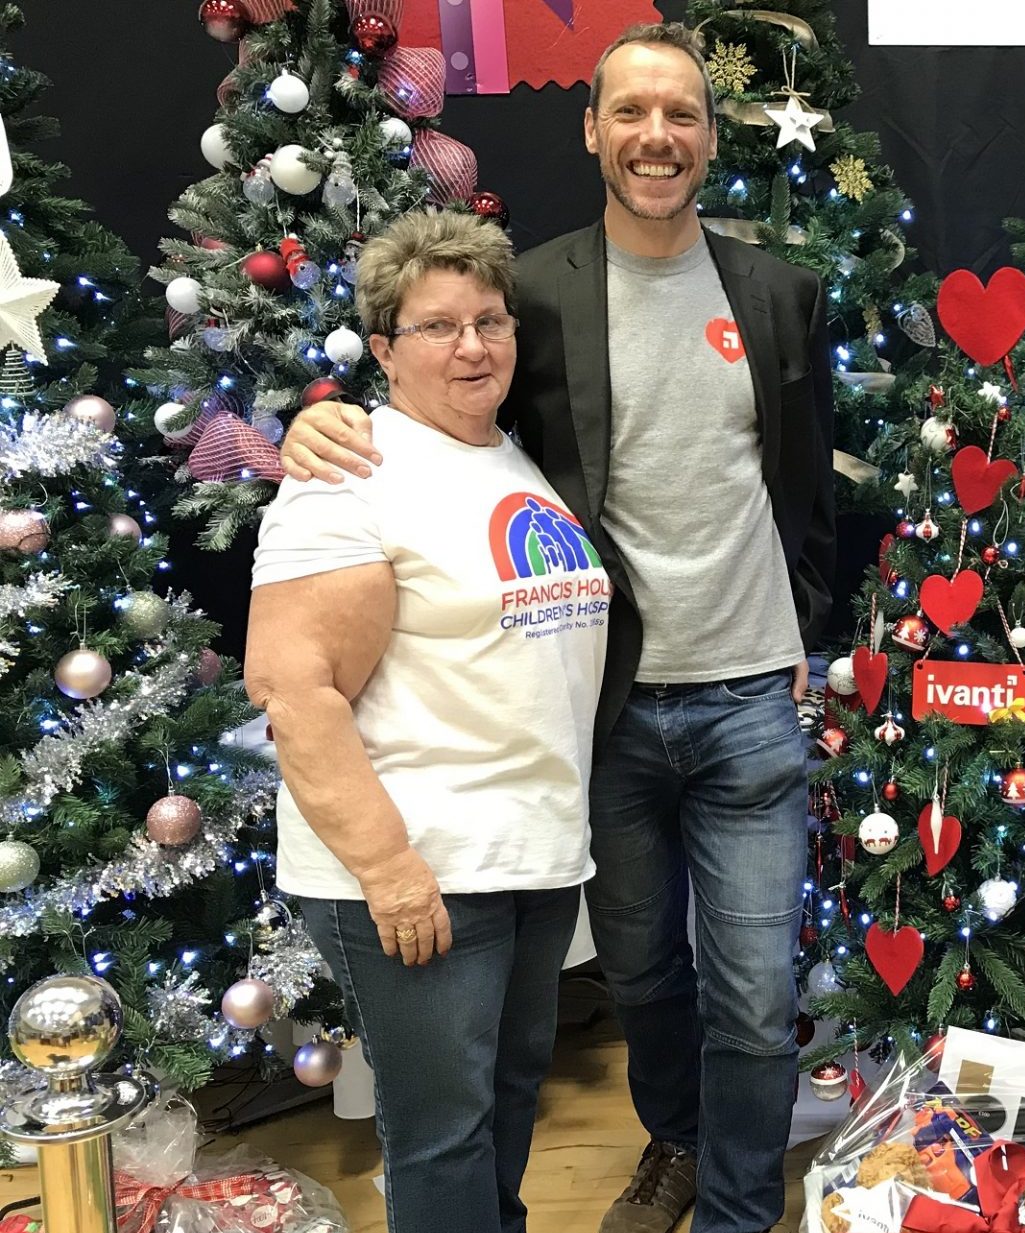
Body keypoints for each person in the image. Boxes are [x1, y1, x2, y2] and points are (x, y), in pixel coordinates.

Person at [278, 23, 835, 1233]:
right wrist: (316, 428)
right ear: (591, 129)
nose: (657, 137)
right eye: (630, 112)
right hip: (606, 713)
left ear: (709, 132)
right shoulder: (526, 295)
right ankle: (678, 1145)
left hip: (750, 704)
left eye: (680, 114)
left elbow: (807, 491)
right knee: (640, 979)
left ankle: (740, 1208)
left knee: (753, 991)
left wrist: (808, 636)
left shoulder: (781, 295)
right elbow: (439, 406)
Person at [246, 210, 606, 1233]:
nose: (472, 346)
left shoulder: (514, 457)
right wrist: (389, 867)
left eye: (490, 320)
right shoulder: (351, 478)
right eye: (438, 326)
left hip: (530, 855)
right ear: (387, 347)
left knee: (504, 1105)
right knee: (442, 1130)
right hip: (422, 868)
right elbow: (295, 690)